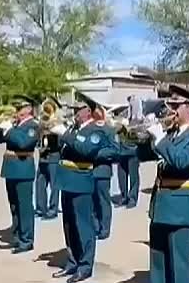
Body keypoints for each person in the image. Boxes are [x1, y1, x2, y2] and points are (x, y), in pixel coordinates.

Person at [53, 92, 123, 283]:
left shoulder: (95, 130)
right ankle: (72, 261)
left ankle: (85, 265)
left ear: (88, 112)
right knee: (69, 226)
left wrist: (66, 134)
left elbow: (85, 150)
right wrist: (66, 133)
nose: (75, 113)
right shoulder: (75, 128)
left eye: (78, 110)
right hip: (67, 180)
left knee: (83, 225)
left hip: (81, 181)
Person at [146, 85, 189, 283]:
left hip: (180, 209)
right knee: (158, 265)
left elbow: (182, 162)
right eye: (170, 103)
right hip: (161, 206)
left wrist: (160, 139)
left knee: (180, 266)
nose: (171, 108)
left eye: (176, 104)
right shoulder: (170, 133)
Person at [0, 95, 40, 254]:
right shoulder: (15, 124)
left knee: (25, 207)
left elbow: (23, 143)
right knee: (14, 206)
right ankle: (17, 236)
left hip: (23, 168)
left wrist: (10, 130)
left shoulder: (33, 126)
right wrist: (0, 128)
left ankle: (27, 240)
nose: (17, 112)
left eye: (19, 108)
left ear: (28, 109)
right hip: (11, 169)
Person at [36, 96, 64, 220]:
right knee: (40, 182)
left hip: (53, 155)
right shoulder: (41, 121)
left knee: (54, 184)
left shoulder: (57, 122)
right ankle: (40, 207)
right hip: (43, 156)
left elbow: (60, 141)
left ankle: (53, 209)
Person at [91, 102, 114, 240]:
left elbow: (114, 150)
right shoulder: (90, 129)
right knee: (92, 202)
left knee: (103, 201)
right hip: (89, 171)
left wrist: (96, 154)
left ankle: (104, 228)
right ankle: (94, 226)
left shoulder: (108, 130)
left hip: (102, 171)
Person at [117, 95, 141, 209]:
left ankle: (132, 198)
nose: (132, 106)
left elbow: (142, 136)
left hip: (133, 151)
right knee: (121, 175)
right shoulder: (124, 116)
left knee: (133, 176)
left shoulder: (140, 120)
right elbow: (116, 127)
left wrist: (133, 129)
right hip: (121, 151)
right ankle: (123, 196)